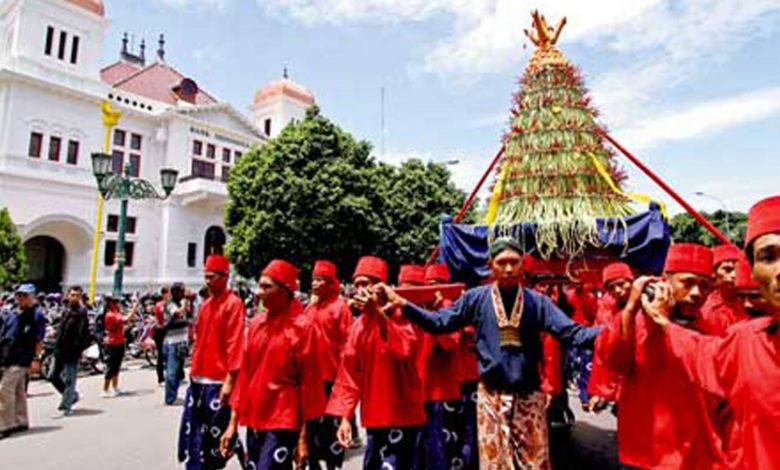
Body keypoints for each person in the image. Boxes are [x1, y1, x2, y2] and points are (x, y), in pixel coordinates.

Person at [380, 238, 601, 469]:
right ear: (490, 265)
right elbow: (440, 323)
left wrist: (615, 329)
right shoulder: (476, 299)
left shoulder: (538, 303)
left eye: (514, 262)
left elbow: (575, 334)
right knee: (494, 465)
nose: (508, 268)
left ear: (522, 265)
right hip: (491, 398)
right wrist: (403, 304)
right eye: (502, 262)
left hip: (528, 398)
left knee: (534, 464)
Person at [643, 195, 780, 470]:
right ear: (753, 271)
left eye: (703, 285)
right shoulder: (746, 341)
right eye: (768, 257)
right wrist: (658, 321)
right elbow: (702, 354)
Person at [598, 243, 726, 469]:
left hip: (695, 450)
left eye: (705, 286)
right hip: (647, 448)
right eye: (687, 283)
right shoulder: (636, 321)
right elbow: (615, 362)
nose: (697, 293)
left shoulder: (713, 323)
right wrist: (630, 307)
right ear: (665, 281)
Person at [220, 260, 326, 469]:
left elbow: (310, 386)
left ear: (286, 290)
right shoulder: (257, 324)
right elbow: (246, 376)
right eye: (260, 286)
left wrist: (304, 438)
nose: (259, 292)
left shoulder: (303, 328)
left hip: (284, 421)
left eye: (266, 287)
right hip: (255, 419)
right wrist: (232, 424)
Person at [327, 255, 426, 469]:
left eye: (366, 283)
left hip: (404, 415)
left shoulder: (402, 315)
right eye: (357, 284)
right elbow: (350, 374)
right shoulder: (358, 327)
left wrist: (378, 314)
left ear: (381, 286)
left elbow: (405, 349)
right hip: (374, 417)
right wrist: (345, 417)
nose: (361, 289)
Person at [178, 255, 245, 470]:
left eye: (212, 276)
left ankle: (233, 447)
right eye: (205, 276)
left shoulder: (233, 304)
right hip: (198, 380)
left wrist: (230, 380)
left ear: (225, 277)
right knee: (195, 436)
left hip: (218, 382)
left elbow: (235, 344)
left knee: (214, 443)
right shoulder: (205, 305)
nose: (207, 281)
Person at [407, 264, 464, 470]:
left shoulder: (451, 308)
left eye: (438, 284)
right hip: (417, 389)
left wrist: (434, 318)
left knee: (444, 449)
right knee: (418, 450)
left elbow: (451, 343)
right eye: (428, 285)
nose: (433, 289)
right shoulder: (412, 310)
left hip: (442, 391)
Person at [304, 260, 353, 470]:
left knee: (332, 432)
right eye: (313, 279)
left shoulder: (340, 309)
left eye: (320, 280)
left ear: (331, 282)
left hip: (332, 381)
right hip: (310, 380)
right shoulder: (310, 308)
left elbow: (348, 346)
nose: (314, 284)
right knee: (310, 430)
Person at [0, 284, 46, 439]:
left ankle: (4, 425)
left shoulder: (36, 315)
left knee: (4, 389)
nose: (21, 298)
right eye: (19, 295)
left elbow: (39, 340)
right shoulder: (11, 313)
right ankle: (21, 421)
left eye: (25, 295)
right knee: (19, 391)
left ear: (32, 297)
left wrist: (35, 359)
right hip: (8, 356)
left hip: (22, 358)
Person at [587, 262, 634, 413]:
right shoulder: (608, 308)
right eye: (611, 287)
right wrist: (600, 392)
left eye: (621, 284)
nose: (618, 291)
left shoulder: (651, 303)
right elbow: (604, 352)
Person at [50, 285, 91, 417]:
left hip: (72, 352)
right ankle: (72, 395)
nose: (74, 298)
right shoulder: (65, 311)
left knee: (69, 379)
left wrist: (79, 349)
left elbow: (84, 334)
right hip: (59, 350)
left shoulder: (81, 314)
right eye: (72, 295)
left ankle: (66, 406)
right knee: (53, 376)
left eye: (77, 296)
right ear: (68, 296)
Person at [698, 244, 747, 335]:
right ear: (714, 273)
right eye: (727, 270)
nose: (734, 275)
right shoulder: (706, 308)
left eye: (737, 269)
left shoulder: (751, 303)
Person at [102, 294, 139, 398]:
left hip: (120, 342)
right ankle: (105, 389)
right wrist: (134, 308)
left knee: (117, 366)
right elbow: (126, 319)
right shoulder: (110, 315)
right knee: (111, 367)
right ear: (110, 304)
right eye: (115, 302)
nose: (118, 304)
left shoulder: (116, 313)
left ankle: (115, 387)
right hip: (113, 344)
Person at [162, 283, 190, 405]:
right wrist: (184, 304)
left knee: (179, 372)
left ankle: (174, 394)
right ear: (176, 292)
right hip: (172, 342)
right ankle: (169, 398)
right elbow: (177, 313)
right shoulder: (170, 304)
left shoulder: (181, 303)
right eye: (182, 291)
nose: (184, 293)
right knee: (171, 371)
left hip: (182, 340)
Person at [153, 286, 171, 386]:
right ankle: (161, 378)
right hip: (161, 330)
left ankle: (168, 375)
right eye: (168, 293)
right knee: (161, 355)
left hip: (168, 331)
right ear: (164, 294)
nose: (170, 295)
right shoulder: (161, 305)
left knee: (168, 354)